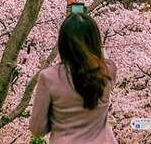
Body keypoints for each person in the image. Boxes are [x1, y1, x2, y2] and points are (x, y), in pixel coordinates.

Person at [29, 12, 117, 143]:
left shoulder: (49, 77)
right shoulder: (108, 70)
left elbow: (37, 129)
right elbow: (99, 58)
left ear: (62, 43)